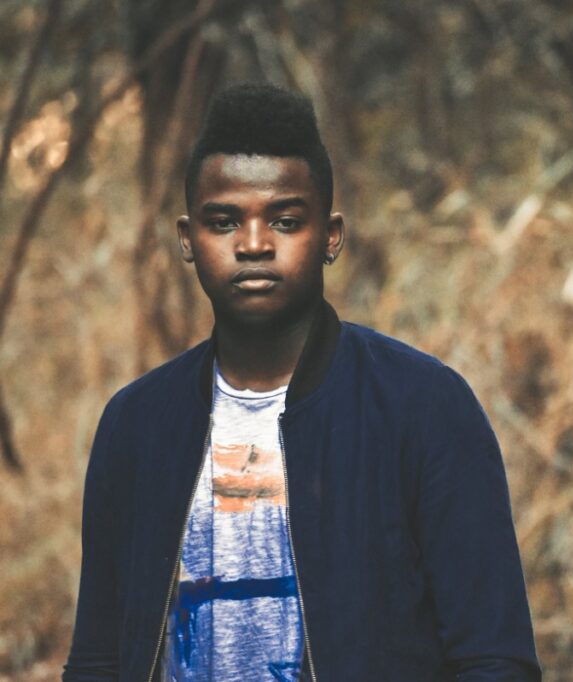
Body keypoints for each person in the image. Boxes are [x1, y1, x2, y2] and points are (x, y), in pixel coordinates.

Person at [63, 83, 541, 681]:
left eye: (285, 220)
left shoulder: (423, 407)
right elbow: (99, 661)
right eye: (224, 221)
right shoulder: (136, 425)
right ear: (188, 240)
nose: (255, 244)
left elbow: (495, 658)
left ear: (330, 236)